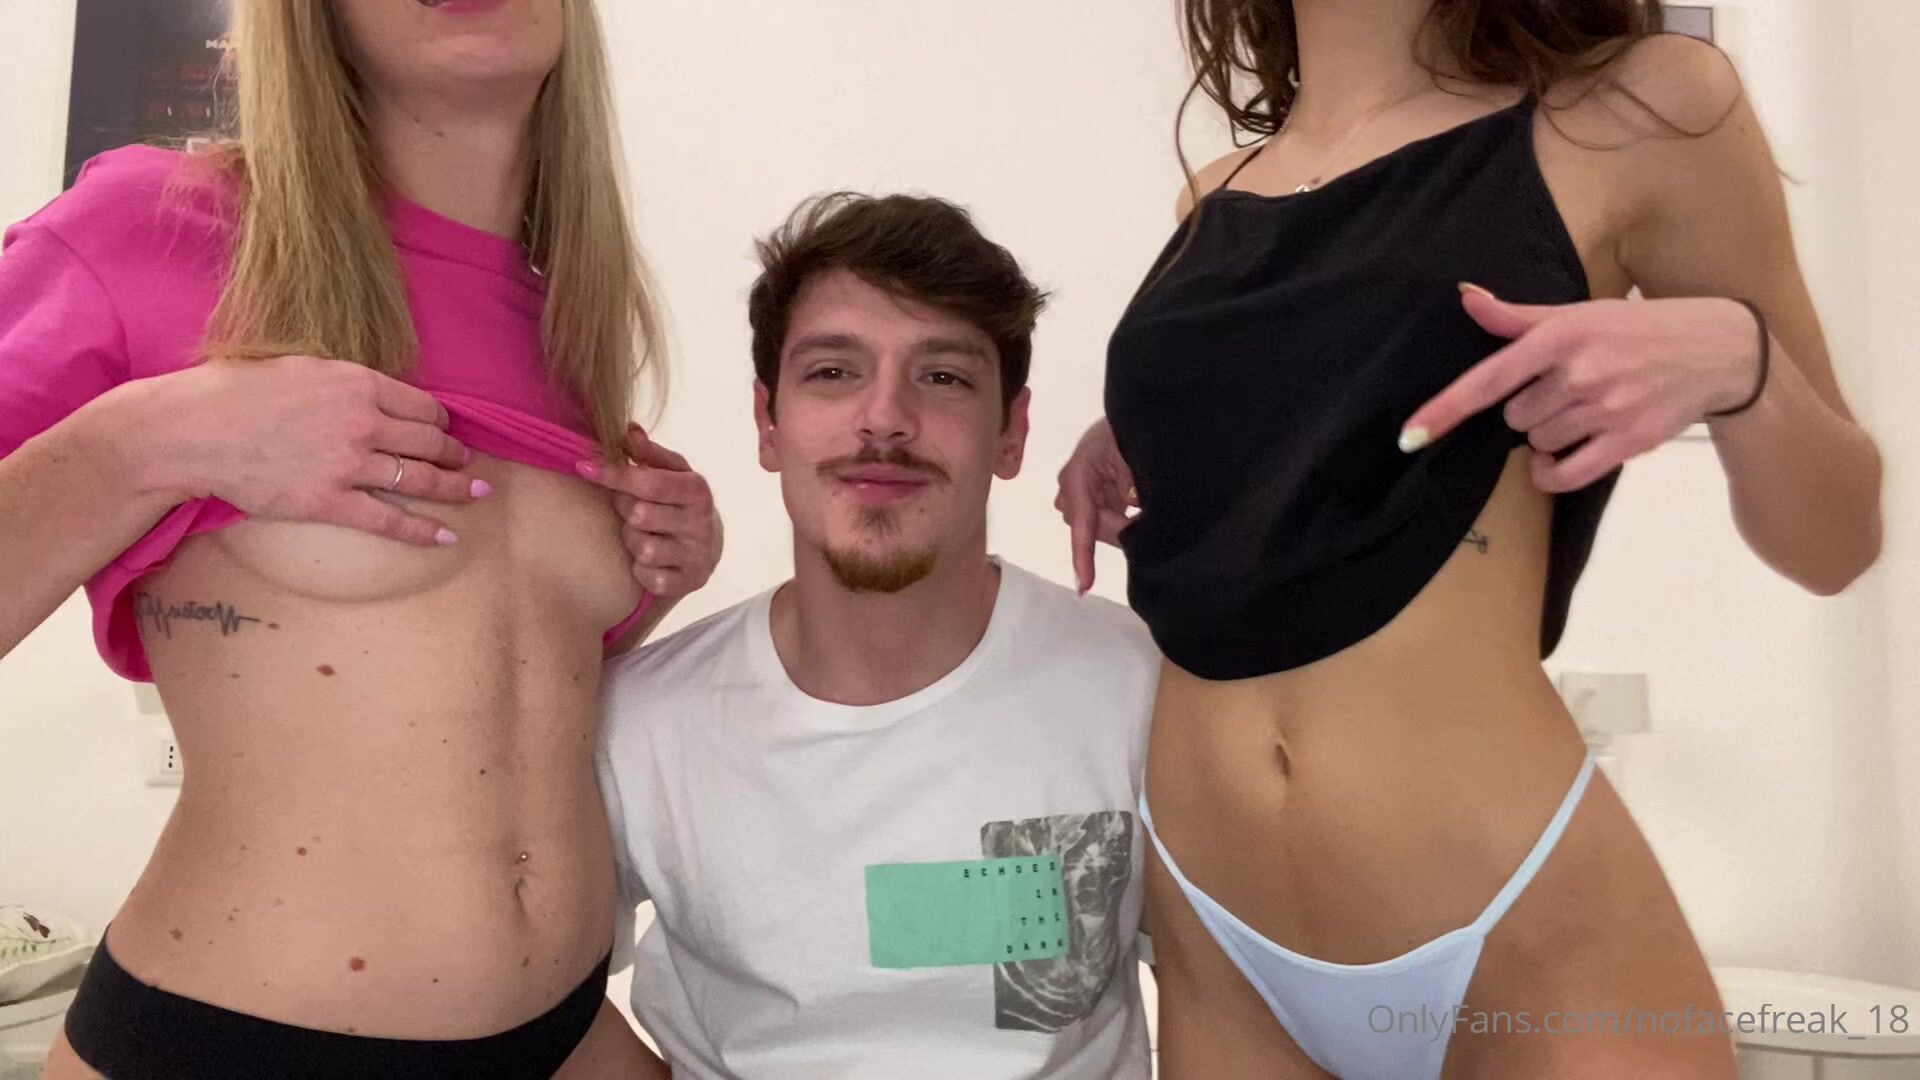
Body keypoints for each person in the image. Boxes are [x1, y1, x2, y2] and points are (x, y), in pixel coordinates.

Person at [1054, 2, 1884, 1077]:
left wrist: (1744, 363)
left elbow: (1836, 543)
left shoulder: (1639, 108)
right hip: (1223, 940)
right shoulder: (1213, 198)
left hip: (1515, 925)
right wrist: (1153, 419)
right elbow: (1324, 417)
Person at [0, 2, 718, 1076]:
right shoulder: (149, 226)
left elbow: (464, 688)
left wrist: (657, 573)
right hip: (241, 1044)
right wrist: (143, 442)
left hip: (565, 1031)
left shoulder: (560, 316)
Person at [595, 192, 1159, 1079]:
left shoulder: (1137, 687)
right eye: (833, 372)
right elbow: (519, 1002)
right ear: (766, 422)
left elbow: (1231, 998)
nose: (885, 417)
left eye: (944, 377)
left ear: (1011, 432)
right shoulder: (641, 720)